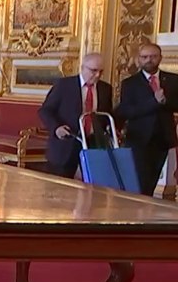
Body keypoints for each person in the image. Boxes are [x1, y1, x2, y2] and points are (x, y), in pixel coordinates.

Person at [114, 42, 178, 196]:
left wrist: (165, 101)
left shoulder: (173, 80)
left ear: (160, 58)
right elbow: (126, 111)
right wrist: (153, 102)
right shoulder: (129, 84)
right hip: (139, 140)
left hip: (163, 138)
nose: (149, 60)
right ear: (138, 59)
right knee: (140, 183)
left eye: (153, 56)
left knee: (152, 181)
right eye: (145, 57)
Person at [38, 52, 113, 178]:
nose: (97, 75)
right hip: (66, 143)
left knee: (95, 185)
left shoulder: (105, 89)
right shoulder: (64, 85)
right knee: (58, 188)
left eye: (101, 71)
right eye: (93, 71)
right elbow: (45, 111)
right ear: (82, 67)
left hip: (93, 144)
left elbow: (107, 114)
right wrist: (57, 128)